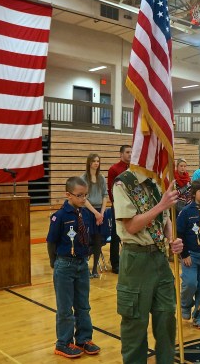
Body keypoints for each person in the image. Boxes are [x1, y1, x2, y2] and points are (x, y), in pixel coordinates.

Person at [113, 170, 183, 363]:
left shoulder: (156, 183)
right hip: (136, 258)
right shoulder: (123, 184)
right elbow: (131, 226)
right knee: (135, 324)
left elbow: (165, 219)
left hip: (160, 258)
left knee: (167, 318)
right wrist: (161, 205)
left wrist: (172, 240)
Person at [46, 176, 101, 358]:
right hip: (65, 265)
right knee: (65, 308)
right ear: (68, 195)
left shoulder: (85, 213)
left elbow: (90, 236)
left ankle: (84, 339)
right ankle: (63, 343)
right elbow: (51, 242)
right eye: (79, 196)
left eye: (85, 195)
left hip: (81, 264)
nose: (83, 199)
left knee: (83, 305)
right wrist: (56, 263)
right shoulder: (59, 216)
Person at [177, 180, 200, 330]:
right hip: (190, 255)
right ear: (193, 194)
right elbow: (179, 234)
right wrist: (184, 254)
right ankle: (185, 304)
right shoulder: (186, 212)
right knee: (190, 283)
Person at [81, 153, 108, 278]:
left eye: (98, 161)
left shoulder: (101, 178)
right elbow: (83, 199)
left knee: (98, 241)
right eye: (94, 161)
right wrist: (96, 213)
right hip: (88, 211)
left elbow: (104, 196)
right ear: (89, 163)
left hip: (99, 212)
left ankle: (95, 269)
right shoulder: (83, 179)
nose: (96, 163)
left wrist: (101, 213)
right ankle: (84, 267)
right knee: (86, 240)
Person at [107, 145, 132, 274]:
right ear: (121, 154)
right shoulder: (114, 169)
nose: (130, 154)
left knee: (131, 233)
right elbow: (111, 190)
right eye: (127, 152)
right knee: (116, 235)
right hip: (118, 206)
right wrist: (117, 205)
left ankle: (130, 262)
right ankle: (115, 263)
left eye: (131, 152)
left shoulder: (134, 169)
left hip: (133, 206)